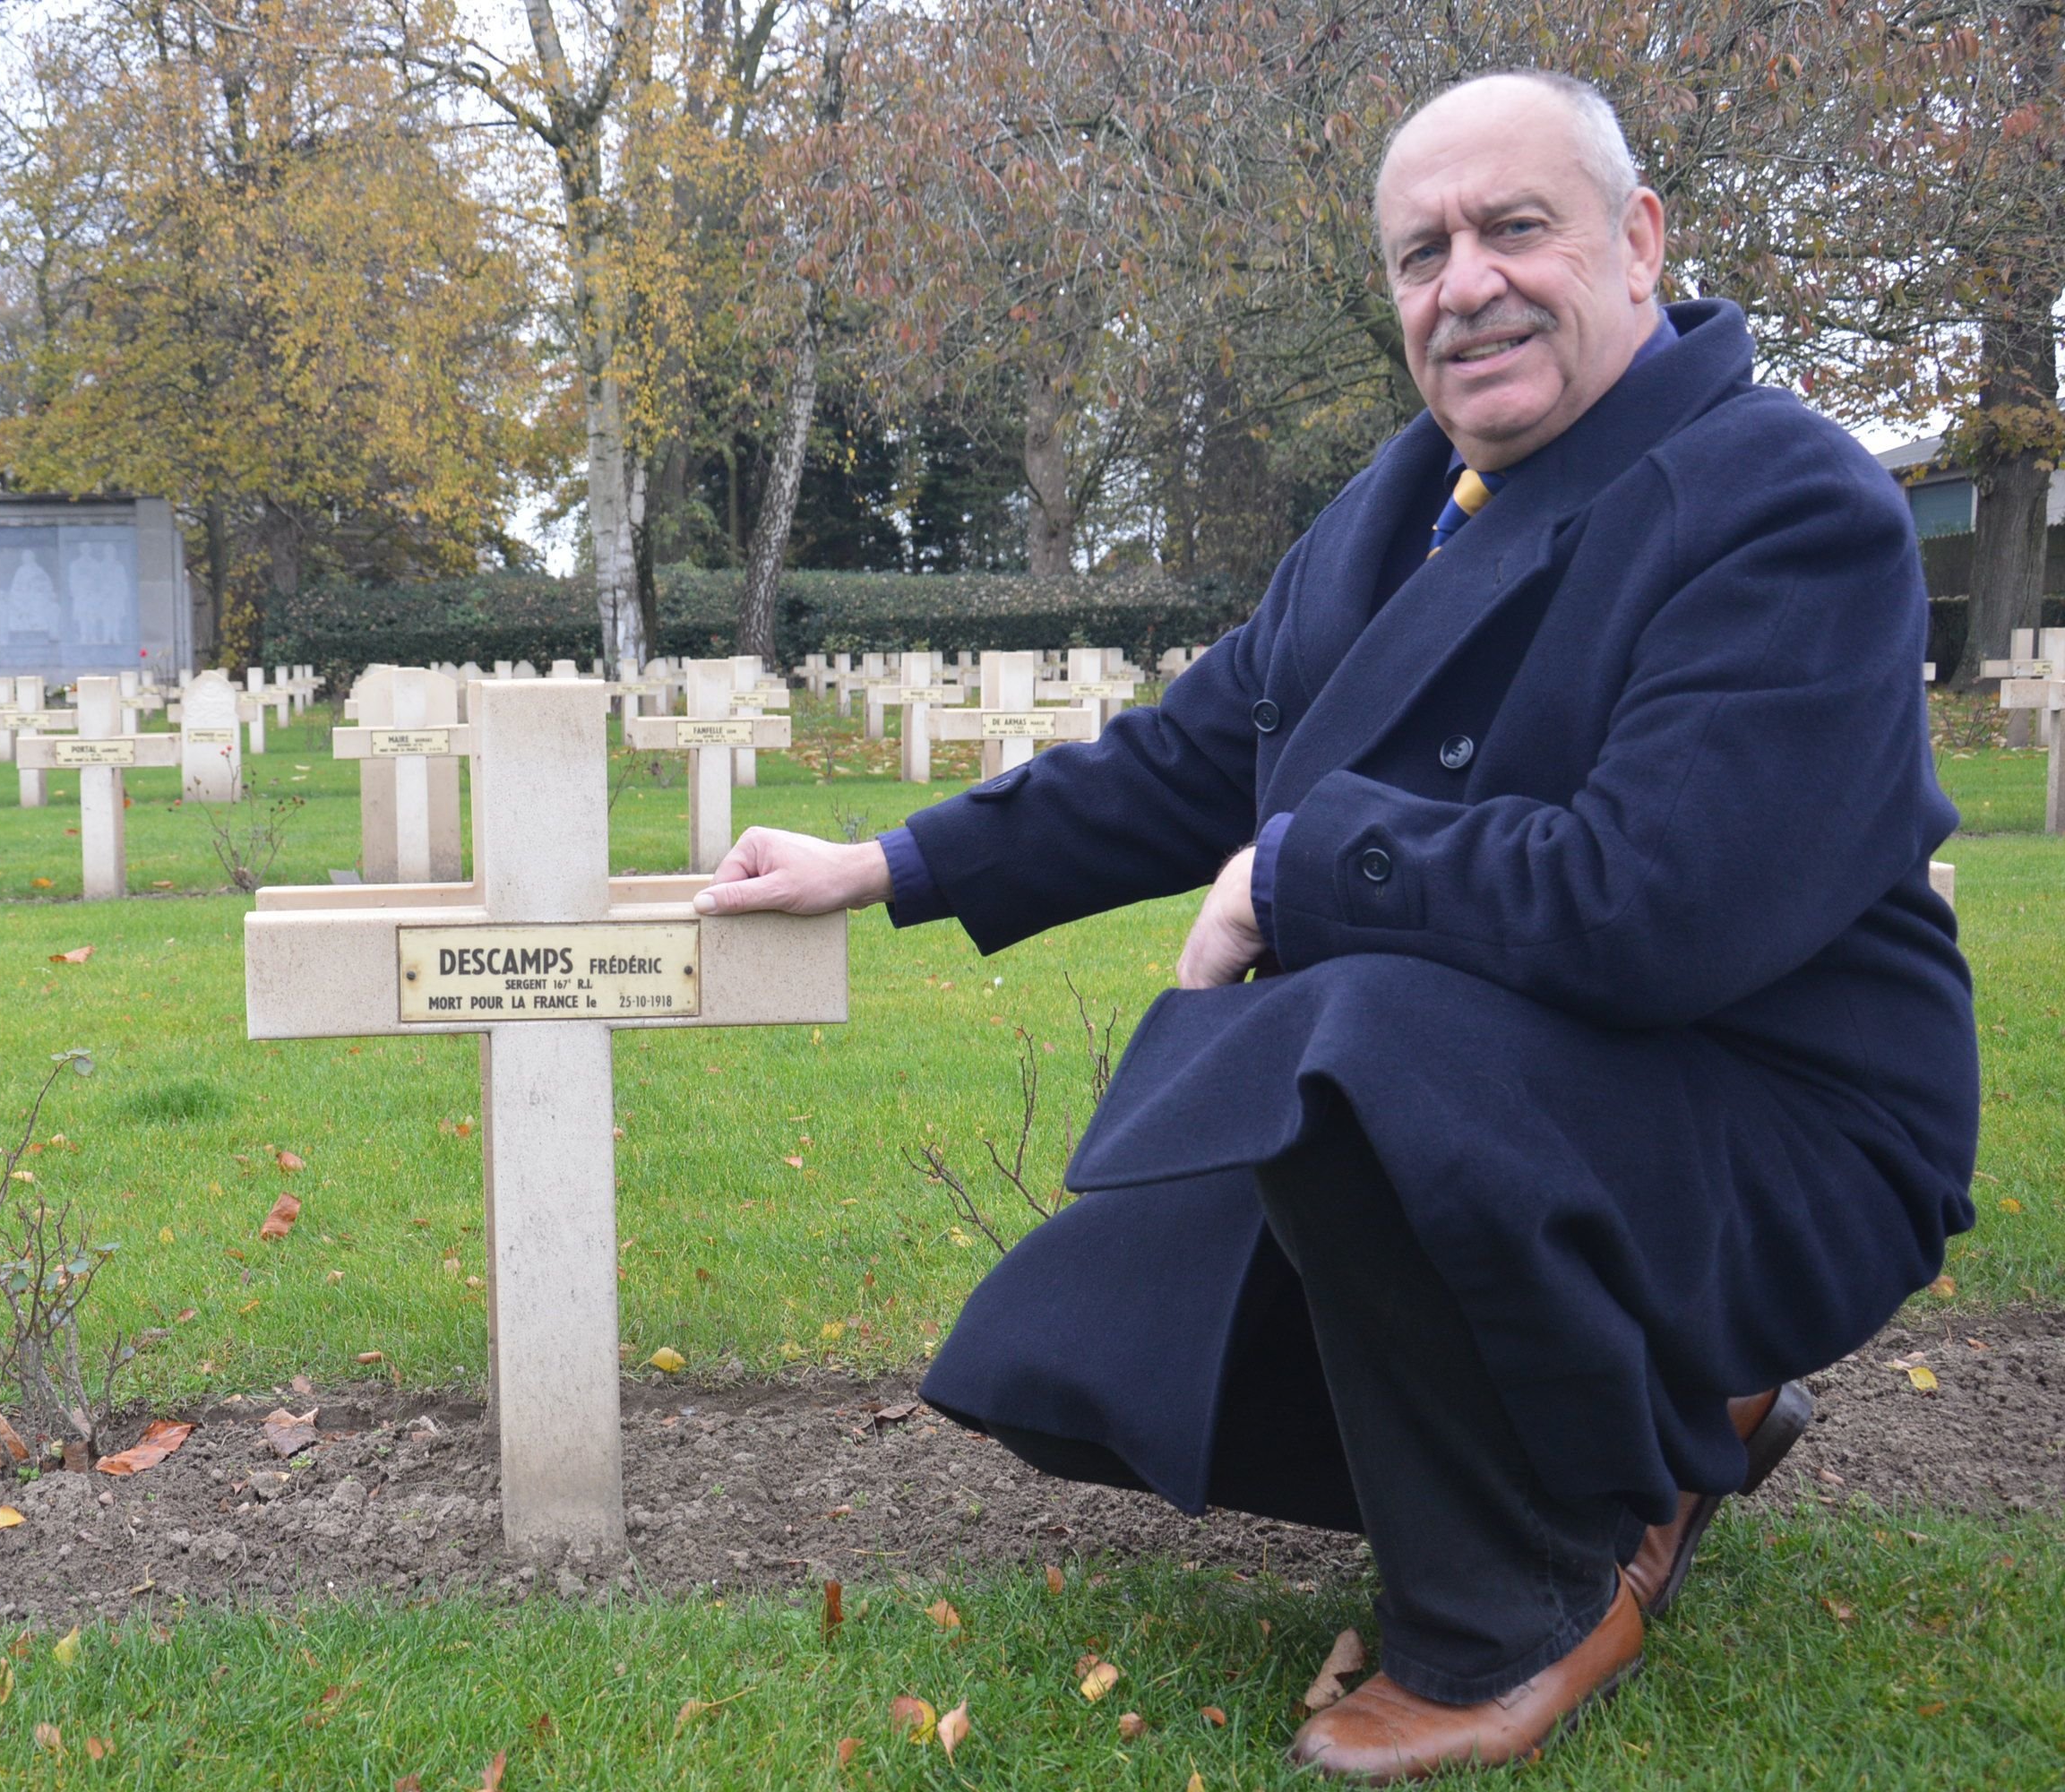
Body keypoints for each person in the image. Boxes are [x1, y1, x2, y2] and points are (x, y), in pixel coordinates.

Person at [694, 68, 1975, 1781]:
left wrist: (1298, 876)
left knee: (1341, 1042)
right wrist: (891, 865)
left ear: (1639, 242)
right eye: (1421, 252)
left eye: (1517, 228)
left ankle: (1534, 1586)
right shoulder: (1399, 509)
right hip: (1529, 1102)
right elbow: (1189, 756)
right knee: (1075, 1349)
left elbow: (1656, 907)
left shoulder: (1786, 500)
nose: (1467, 284)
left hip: (1781, 1126)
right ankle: (1670, 1419)